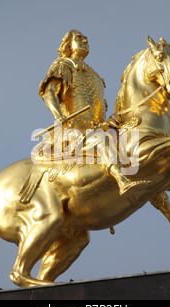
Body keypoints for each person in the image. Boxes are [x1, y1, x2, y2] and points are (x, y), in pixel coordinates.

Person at [38, 29, 145, 195]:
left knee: (134, 150)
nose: (85, 41)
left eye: (86, 39)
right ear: (68, 44)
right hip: (75, 128)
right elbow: (49, 93)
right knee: (103, 140)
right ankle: (121, 181)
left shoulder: (93, 74)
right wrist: (59, 116)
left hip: (99, 126)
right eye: (79, 38)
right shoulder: (64, 65)